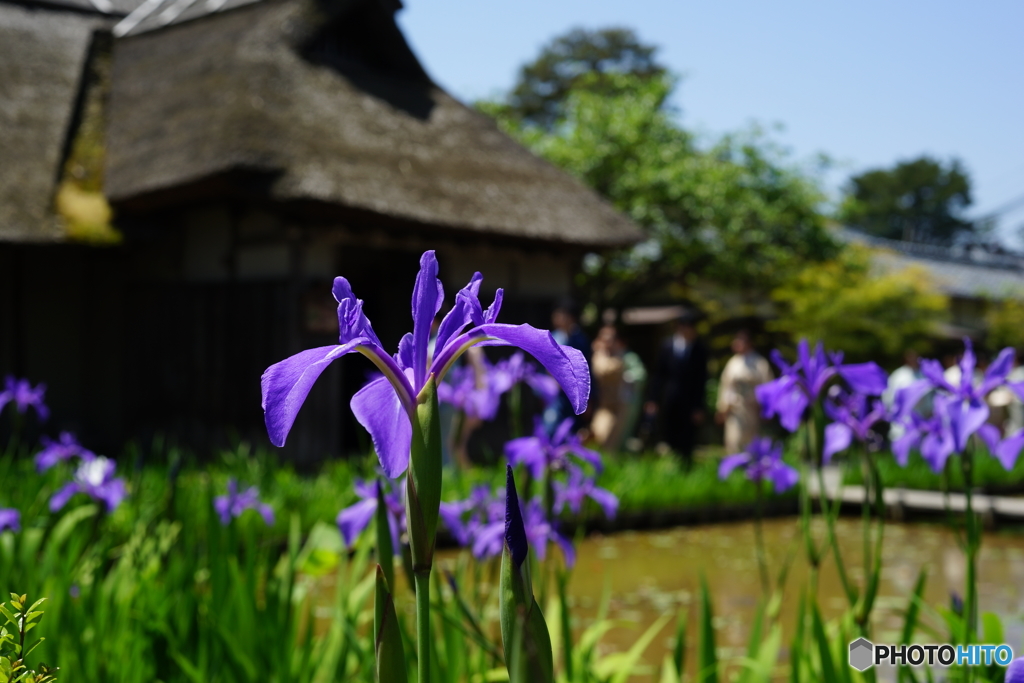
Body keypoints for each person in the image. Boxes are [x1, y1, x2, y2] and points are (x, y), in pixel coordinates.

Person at [645, 311, 708, 466]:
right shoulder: (667, 346)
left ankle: (686, 465)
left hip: (690, 400)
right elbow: (658, 374)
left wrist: (699, 406)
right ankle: (671, 463)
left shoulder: (700, 349)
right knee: (668, 432)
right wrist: (652, 399)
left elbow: (702, 380)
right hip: (669, 397)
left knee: (687, 436)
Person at [715, 330, 773, 454]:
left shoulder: (760, 363)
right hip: (735, 409)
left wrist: (767, 409)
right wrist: (722, 408)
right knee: (734, 442)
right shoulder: (732, 362)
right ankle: (735, 470)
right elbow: (725, 386)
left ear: (749, 343)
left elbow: (768, 386)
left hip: (753, 409)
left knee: (752, 443)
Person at [546, 299, 592, 431]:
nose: (555, 317)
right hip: (555, 392)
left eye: (559, 314)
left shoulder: (581, 340)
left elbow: (587, 370)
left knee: (571, 428)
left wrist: (588, 398)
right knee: (550, 427)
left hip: (574, 392)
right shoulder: (552, 336)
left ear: (571, 317)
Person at [590, 326, 625, 449]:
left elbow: (601, 370)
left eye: (608, 340)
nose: (605, 343)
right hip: (598, 406)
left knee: (605, 444)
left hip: (612, 410)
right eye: (602, 339)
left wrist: (598, 352)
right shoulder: (602, 356)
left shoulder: (618, 361)